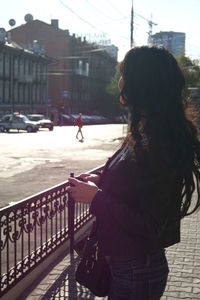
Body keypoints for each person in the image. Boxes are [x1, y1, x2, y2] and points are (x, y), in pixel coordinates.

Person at [67, 46, 200, 300]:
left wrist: (96, 198)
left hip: (138, 270)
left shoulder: (159, 141)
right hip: (130, 266)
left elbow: (150, 223)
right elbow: (138, 187)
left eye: (125, 74)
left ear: (142, 84)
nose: (120, 82)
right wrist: (103, 181)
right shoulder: (146, 130)